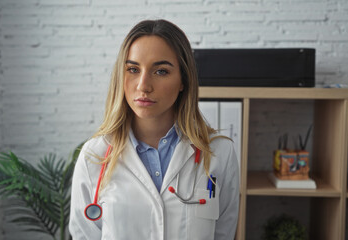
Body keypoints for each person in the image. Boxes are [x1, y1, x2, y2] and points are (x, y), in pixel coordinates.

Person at [69, 19, 239, 240]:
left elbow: (223, 234)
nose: (143, 86)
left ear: (183, 81)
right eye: (132, 69)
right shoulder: (94, 156)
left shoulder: (220, 153)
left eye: (160, 71)